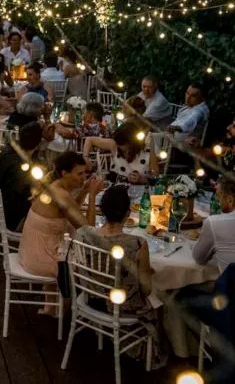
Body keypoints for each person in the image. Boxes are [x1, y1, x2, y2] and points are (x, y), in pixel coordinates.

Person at [74, 186, 163, 365]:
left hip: (92, 297)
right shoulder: (138, 243)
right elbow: (146, 289)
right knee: (159, 301)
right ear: (128, 213)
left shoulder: (84, 234)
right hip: (120, 305)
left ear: (102, 210)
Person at [21, 152, 104, 282]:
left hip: (30, 252)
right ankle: (80, 296)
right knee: (96, 258)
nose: (84, 178)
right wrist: (92, 196)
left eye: (85, 173)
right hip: (43, 259)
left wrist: (85, 191)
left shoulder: (53, 185)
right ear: (65, 173)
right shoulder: (61, 194)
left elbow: (70, 211)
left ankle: (57, 297)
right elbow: (88, 232)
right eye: (79, 174)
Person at [0, 122, 51, 231]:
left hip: (8, 203)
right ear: (39, 143)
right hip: (14, 215)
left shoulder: (13, 150)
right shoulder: (18, 166)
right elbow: (28, 191)